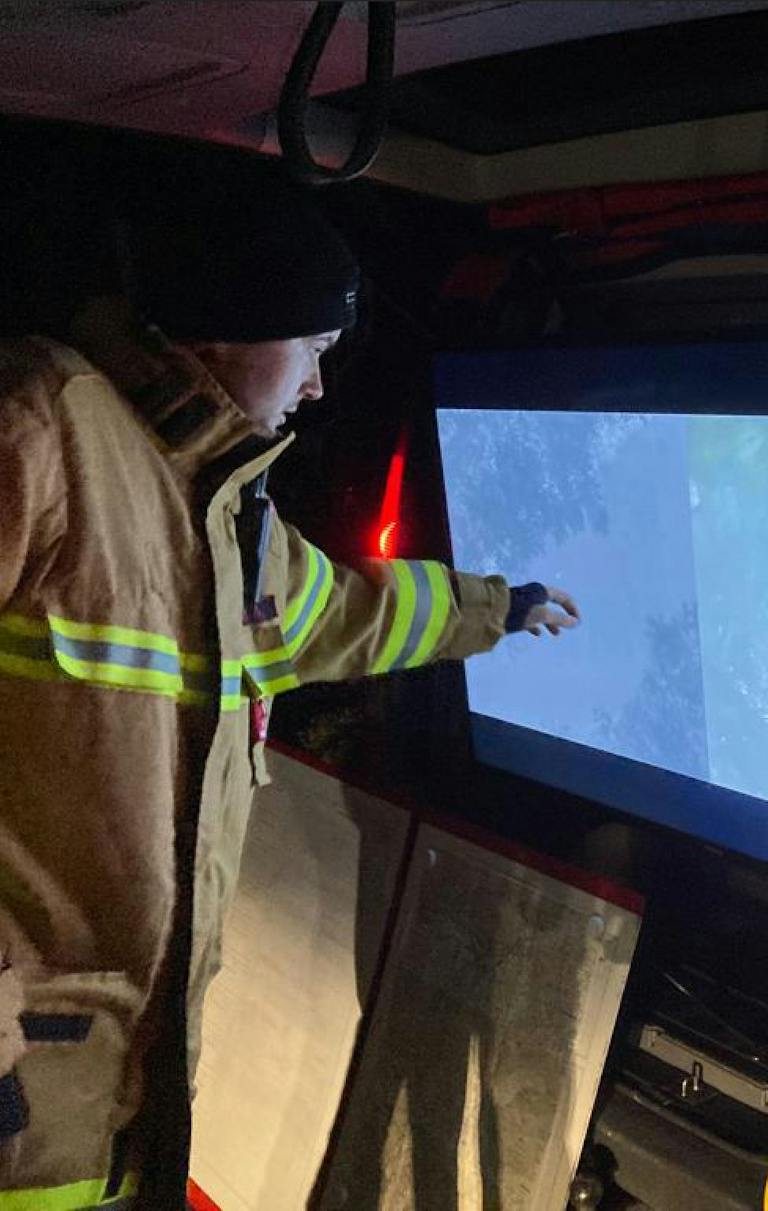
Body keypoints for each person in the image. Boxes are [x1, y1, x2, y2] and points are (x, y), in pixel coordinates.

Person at [0, 172, 578, 1208]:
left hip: (111, 1101)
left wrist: (501, 605)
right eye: (311, 349)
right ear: (226, 327)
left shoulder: (222, 516)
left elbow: (352, 612)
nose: (317, 388)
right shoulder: (38, 429)